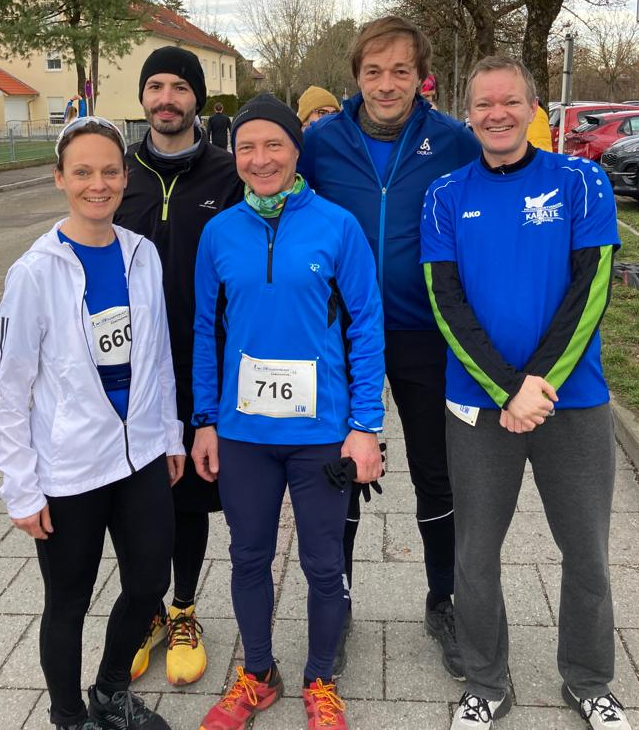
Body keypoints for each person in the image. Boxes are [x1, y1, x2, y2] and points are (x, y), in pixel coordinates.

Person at [420, 56, 630, 730]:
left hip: (574, 403)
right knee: (475, 555)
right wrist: (508, 391)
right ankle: (485, 681)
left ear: (533, 107)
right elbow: (443, 301)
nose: (495, 114)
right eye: (482, 104)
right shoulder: (444, 193)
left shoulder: (581, 179)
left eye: (509, 101)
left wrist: (538, 385)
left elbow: (591, 288)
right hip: (479, 407)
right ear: (468, 113)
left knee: (587, 554)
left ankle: (590, 679)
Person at [191, 93, 385, 730]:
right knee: (247, 557)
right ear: (235, 155)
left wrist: (365, 427)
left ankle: (321, 678)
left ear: (296, 150)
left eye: (273, 144)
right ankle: (257, 674)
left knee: (323, 564)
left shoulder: (336, 226)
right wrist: (206, 420)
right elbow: (203, 330)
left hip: (321, 434)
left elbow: (365, 327)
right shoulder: (219, 232)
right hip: (244, 433)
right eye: (247, 147)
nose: (260, 158)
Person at [299, 15, 480, 678]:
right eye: (373, 71)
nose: (385, 83)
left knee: (436, 471)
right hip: (339, 337)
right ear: (355, 76)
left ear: (419, 77)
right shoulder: (320, 143)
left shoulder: (453, 142)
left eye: (400, 70)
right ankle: (335, 603)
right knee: (337, 472)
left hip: (421, 333)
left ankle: (444, 601)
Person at [0, 116, 184, 730]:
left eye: (108, 171)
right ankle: (69, 717)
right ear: (59, 179)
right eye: (82, 172)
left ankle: (109, 692)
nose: (97, 184)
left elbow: (159, 358)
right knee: (68, 602)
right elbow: (9, 393)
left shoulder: (143, 255)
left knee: (149, 581)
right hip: (70, 469)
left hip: (141, 456)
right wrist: (21, 488)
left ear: (125, 178)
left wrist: (170, 433)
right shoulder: (34, 273)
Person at [114, 45, 243, 686]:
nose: (166, 98)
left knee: (190, 494)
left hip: (202, 363)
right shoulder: (120, 175)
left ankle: (186, 608)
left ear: (198, 98)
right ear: (144, 97)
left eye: (179, 87)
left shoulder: (228, 175)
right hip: (127, 372)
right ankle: (146, 611)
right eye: (155, 86)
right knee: (136, 496)